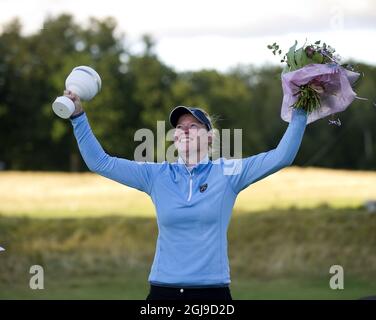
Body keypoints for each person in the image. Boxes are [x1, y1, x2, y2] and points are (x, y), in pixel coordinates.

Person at [65, 89, 307, 300]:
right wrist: (78, 116)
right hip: (163, 291)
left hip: (212, 293)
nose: (185, 131)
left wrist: (301, 110)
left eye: (194, 126)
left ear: (210, 137)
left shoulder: (228, 172)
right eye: (180, 127)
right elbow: (100, 163)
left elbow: (281, 156)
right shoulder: (156, 175)